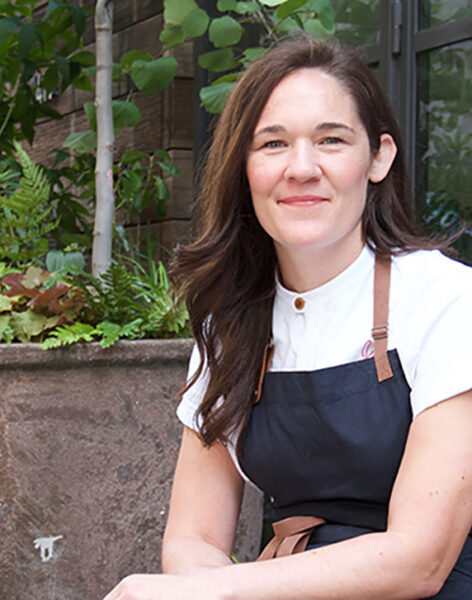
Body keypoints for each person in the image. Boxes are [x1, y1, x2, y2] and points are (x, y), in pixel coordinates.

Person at [104, 35, 472, 599]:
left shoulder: (446, 298)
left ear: (378, 158)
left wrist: (217, 593)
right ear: (243, 167)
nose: (301, 168)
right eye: (272, 144)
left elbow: (418, 559)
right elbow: (193, 538)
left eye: (331, 140)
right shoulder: (229, 322)